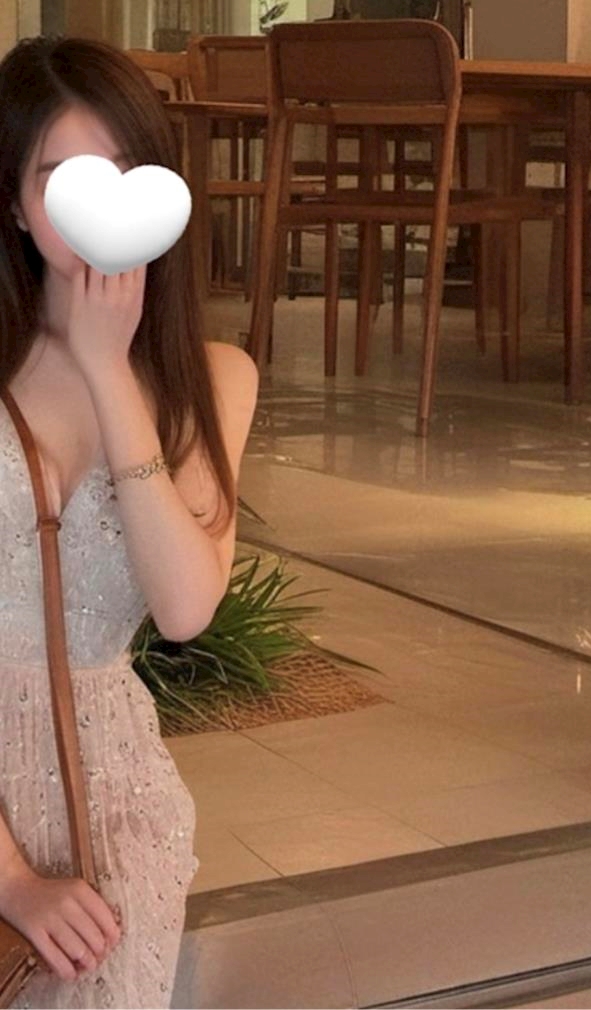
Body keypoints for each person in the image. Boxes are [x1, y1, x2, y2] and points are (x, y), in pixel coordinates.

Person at [0, 33, 258, 1009]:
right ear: (14, 204)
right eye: (59, 179)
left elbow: (186, 606)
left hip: (114, 805)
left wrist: (109, 371)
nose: (92, 209)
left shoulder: (214, 379)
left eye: (117, 173)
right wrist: (10, 877)